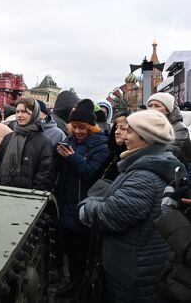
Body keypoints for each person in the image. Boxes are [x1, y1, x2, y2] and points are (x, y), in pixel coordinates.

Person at [79, 110, 183, 302]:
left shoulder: (144, 176)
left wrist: (87, 206)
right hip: (140, 264)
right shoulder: (149, 164)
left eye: (130, 131)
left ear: (145, 137)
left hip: (133, 274)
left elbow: (111, 216)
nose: (124, 136)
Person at [54, 98, 109, 299]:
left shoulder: (100, 146)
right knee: (70, 250)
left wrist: (72, 158)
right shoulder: (69, 141)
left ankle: (82, 285)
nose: (77, 131)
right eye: (75, 127)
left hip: (82, 207)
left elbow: (90, 175)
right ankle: (74, 280)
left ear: (91, 128)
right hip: (65, 204)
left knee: (83, 252)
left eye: (82, 128)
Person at [0, 97, 53, 191]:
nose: (19, 115)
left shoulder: (44, 141)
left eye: (24, 112)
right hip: (3, 192)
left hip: (28, 197)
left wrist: (34, 193)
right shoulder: (8, 137)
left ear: (34, 114)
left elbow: (44, 174)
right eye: (17, 112)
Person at [87, 112, 129, 197]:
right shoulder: (113, 154)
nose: (117, 132)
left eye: (123, 129)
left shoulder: (129, 159)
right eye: (116, 128)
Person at [147, 92, 191, 165]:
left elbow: (173, 150)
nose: (152, 109)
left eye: (157, 106)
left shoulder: (179, 127)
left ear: (167, 110)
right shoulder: (147, 126)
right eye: (150, 106)